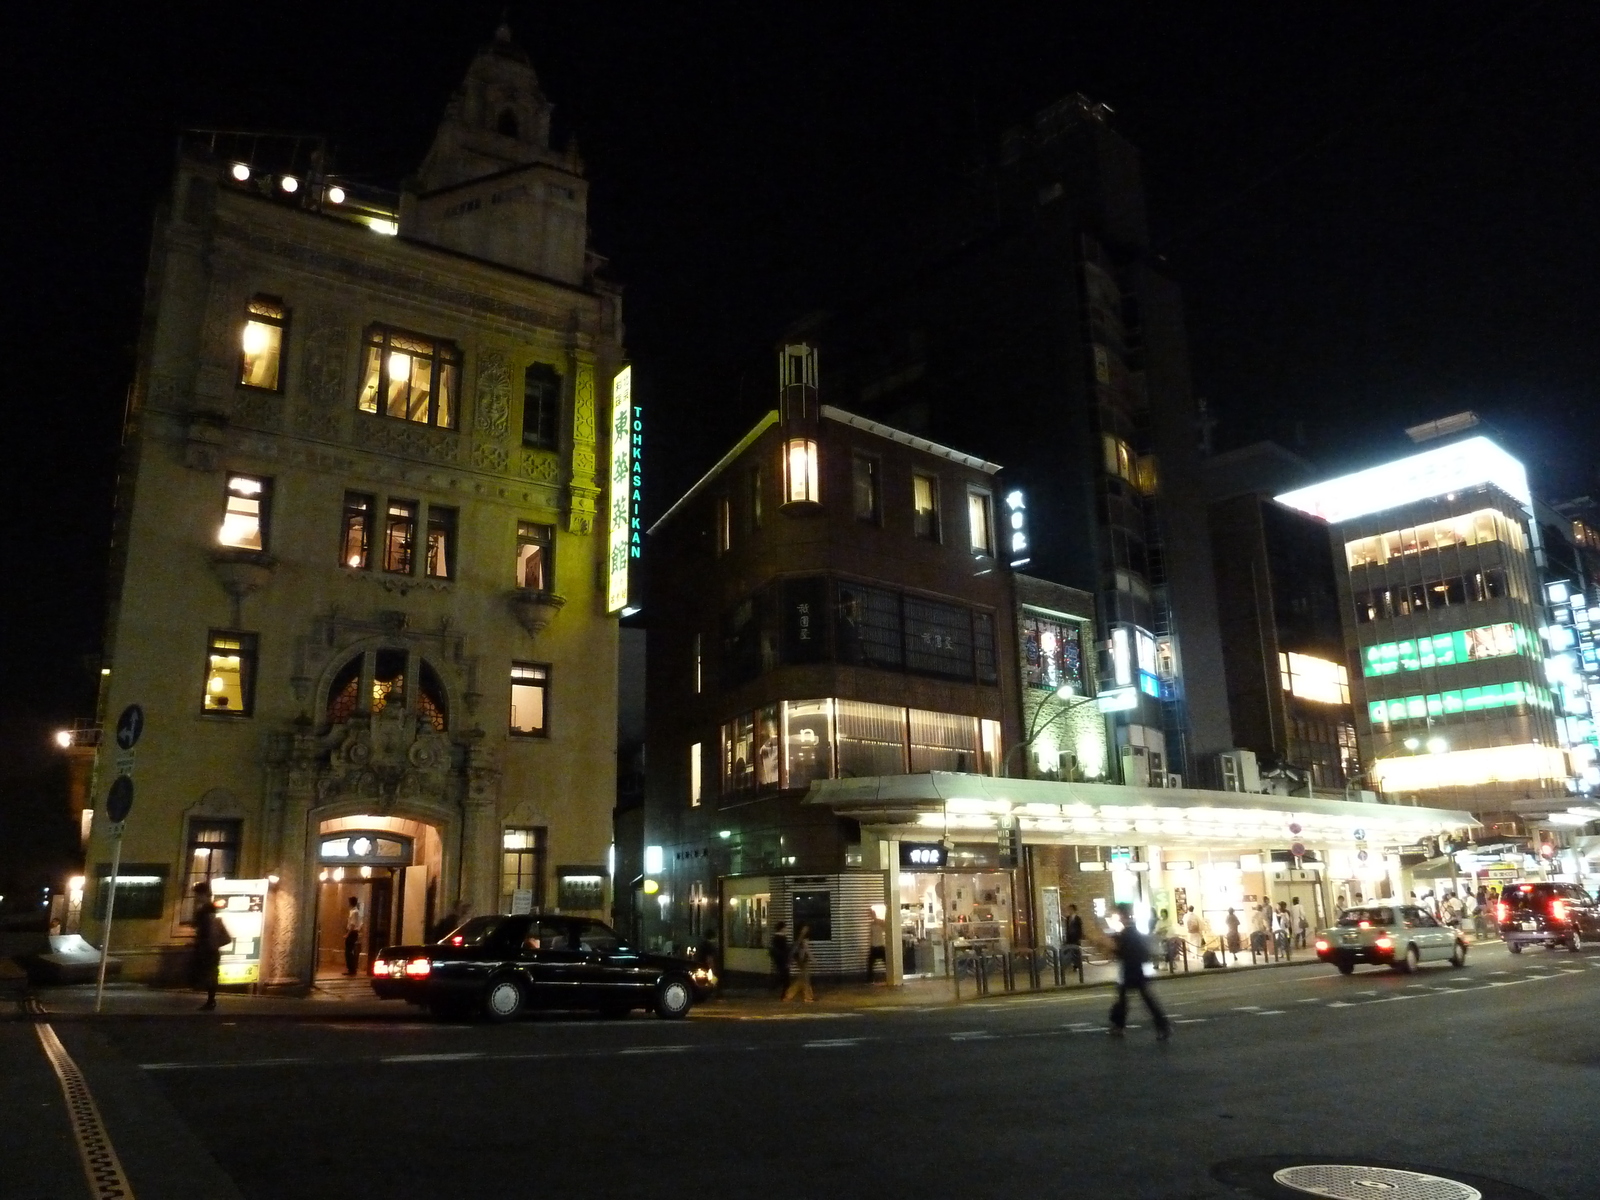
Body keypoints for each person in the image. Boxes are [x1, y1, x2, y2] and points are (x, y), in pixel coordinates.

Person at [1107, 903, 1171, 1039]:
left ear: (1122, 915)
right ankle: (1161, 1026)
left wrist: (1113, 950)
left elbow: (1124, 951)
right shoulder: (1131, 930)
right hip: (1134, 969)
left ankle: (1161, 1025)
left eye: (1119, 914)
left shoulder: (1128, 932)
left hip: (1132, 970)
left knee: (1135, 999)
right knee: (1135, 999)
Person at [189, 882, 229, 1011]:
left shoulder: (206, 909)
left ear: (203, 894)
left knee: (209, 973)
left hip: (208, 947)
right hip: (209, 946)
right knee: (210, 973)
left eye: (197, 894)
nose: (196, 897)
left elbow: (205, 928)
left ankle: (211, 1000)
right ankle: (210, 1000)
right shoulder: (209, 908)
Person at [782, 925, 815, 1002]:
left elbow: (795, 950)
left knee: (802, 979)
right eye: (805, 928)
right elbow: (806, 950)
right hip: (803, 961)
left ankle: (789, 995)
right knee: (805, 979)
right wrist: (813, 959)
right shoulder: (802, 939)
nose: (806, 930)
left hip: (801, 960)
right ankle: (807, 997)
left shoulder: (798, 939)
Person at [769, 921, 792, 995]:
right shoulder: (782, 938)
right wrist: (787, 960)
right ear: (782, 928)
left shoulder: (775, 938)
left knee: (783, 976)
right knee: (785, 978)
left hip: (778, 959)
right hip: (783, 960)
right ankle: (782, 993)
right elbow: (785, 950)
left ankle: (776, 988)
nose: (786, 929)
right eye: (785, 927)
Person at [866, 908, 888, 983]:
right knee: (870, 964)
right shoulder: (872, 924)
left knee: (872, 963)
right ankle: (870, 979)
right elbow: (871, 935)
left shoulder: (880, 922)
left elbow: (886, 928)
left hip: (879, 945)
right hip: (875, 945)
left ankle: (870, 979)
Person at [344, 896, 363, 975]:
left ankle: (351, 969)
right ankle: (351, 969)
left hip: (352, 933)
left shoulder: (354, 912)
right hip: (353, 932)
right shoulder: (355, 911)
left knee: (348, 951)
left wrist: (347, 934)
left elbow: (352, 924)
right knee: (349, 951)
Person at [1062, 903, 1084, 973]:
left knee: (1076, 952)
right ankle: (1070, 964)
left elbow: (1080, 929)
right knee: (1069, 951)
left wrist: (1079, 937)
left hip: (1075, 938)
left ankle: (1076, 965)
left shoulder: (1078, 918)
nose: (1069, 910)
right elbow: (1067, 928)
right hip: (1069, 938)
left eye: (1070, 909)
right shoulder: (1068, 918)